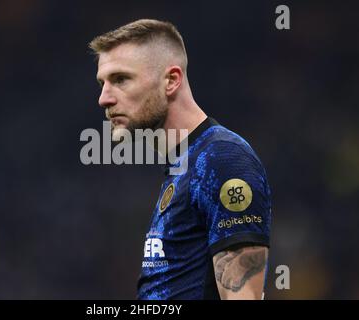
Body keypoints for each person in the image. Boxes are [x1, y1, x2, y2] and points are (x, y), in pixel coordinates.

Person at [89, 19, 272, 300]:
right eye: (103, 83)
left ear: (172, 80)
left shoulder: (222, 159)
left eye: (120, 79)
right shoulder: (185, 164)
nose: (104, 98)